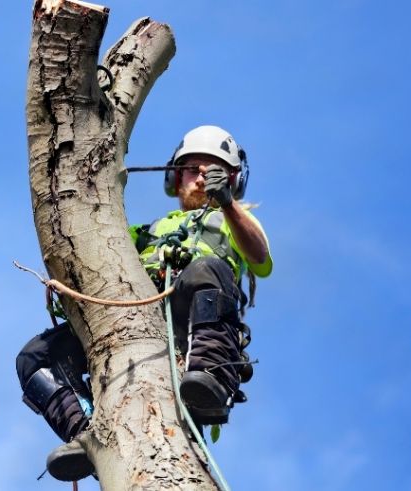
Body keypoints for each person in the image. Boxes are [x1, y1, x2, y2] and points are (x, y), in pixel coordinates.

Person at [15, 125, 273, 481]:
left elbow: (259, 256)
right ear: (174, 177)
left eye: (213, 172)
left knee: (205, 269)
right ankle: (86, 433)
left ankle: (210, 377)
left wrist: (228, 204)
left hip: (195, 315)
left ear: (232, 179)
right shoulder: (147, 232)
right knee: (35, 357)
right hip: (135, 311)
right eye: (191, 170)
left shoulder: (232, 220)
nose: (201, 178)